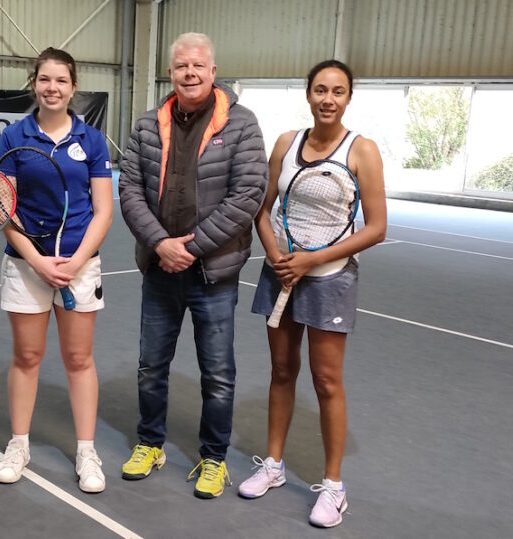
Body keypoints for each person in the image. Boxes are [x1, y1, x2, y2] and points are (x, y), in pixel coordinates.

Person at [118, 32, 268, 499]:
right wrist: (161, 243)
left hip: (214, 274)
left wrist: (193, 246)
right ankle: (150, 444)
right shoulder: (146, 125)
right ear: (171, 72)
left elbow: (248, 194)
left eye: (198, 65)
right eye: (182, 65)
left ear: (213, 71)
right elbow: (130, 191)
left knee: (218, 373)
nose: (189, 73)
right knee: (150, 367)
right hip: (160, 270)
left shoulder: (242, 125)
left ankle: (214, 458)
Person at [238, 59, 387, 527]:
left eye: (338, 92)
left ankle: (334, 487)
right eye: (320, 90)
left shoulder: (362, 151)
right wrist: (278, 255)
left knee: (326, 382)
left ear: (347, 98)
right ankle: (274, 466)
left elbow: (378, 228)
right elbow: (262, 210)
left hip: (331, 279)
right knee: (281, 370)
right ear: (308, 94)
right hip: (281, 270)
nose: (328, 99)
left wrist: (311, 260)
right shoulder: (286, 143)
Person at [0, 47, 113, 494]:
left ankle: (86, 451)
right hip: (27, 266)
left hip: (80, 267)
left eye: (61, 80)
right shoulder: (14, 137)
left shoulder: (93, 141)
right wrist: (39, 261)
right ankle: (18, 445)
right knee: (27, 358)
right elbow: (4, 210)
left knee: (79, 360)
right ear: (34, 83)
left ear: (73, 87)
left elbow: (102, 211)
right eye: (45, 79)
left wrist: (75, 263)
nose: (52, 88)